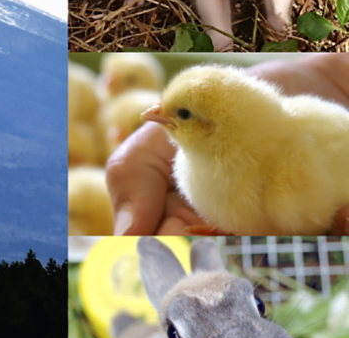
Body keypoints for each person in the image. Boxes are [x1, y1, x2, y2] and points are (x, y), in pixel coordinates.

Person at [105, 55, 349, 235]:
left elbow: (311, 219)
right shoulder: (202, 164)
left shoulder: (283, 166)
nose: (154, 112)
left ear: (213, 129)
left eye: (184, 114)